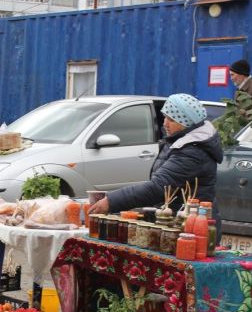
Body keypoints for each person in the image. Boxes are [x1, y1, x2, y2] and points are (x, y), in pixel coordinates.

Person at [89, 93, 224, 236]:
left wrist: (111, 201)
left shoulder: (193, 151)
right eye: (165, 117)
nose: (165, 123)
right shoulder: (179, 142)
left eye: (171, 119)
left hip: (192, 229)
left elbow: (159, 187)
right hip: (177, 223)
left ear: (186, 122)